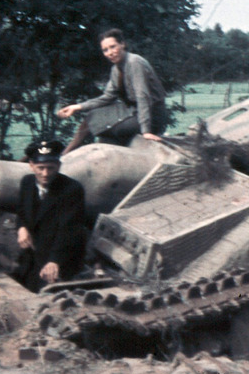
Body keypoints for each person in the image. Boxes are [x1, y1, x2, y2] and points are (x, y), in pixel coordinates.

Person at [58, 29, 169, 146]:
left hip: (152, 116)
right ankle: (67, 153)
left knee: (104, 127)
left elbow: (142, 96)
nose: (110, 53)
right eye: (105, 50)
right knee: (92, 116)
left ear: (122, 44)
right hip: (134, 112)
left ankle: (67, 153)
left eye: (113, 47)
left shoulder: (134, 63)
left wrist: (146, 131)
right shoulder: (116, 69)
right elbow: (108, 97)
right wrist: (77, 107)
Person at [12, 140, 87, 292]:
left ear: (58, 166)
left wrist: (55, 260)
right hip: (31, 254)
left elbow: (70, 229)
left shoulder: (71, 189)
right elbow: (22, 212)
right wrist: (21, 228)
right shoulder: (27, 183)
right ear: (31, 165)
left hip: (59, 255)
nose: (45, 174)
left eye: (50, 168)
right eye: (40, 168)